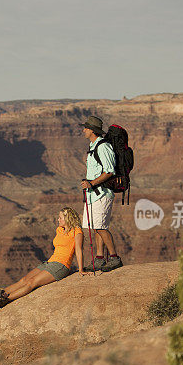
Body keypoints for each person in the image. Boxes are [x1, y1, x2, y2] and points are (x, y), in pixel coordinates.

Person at [0, 207, 84, 308]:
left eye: (60, 218)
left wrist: (81, 269)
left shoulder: (77, 231)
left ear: (68, 218)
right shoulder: (59, 230)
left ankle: (6, 300)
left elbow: (79, 250)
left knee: (32, 282)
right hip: (50, 262)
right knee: (24, 280)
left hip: (61, 266)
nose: (58, 220)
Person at [80, 116, 123, 272]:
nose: (83, 130)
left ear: (92, 130)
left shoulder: (103, 147)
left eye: (86, 128)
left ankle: (114, 258)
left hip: (102, 193)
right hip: (93, 194)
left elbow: (109, 171)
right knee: (98, 226)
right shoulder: (94, 146)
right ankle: (99, 259)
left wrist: (91, 183)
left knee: (100, 227)